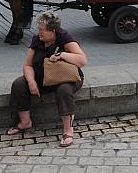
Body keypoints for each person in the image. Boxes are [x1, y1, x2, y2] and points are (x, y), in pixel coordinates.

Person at [8, 11, 87, 147]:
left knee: (64, 90)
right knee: (19, 84)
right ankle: (25, 122)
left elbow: (82, 60)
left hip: (67, 78)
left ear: (53, 31)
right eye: (39, 29)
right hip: (43, 78)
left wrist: (62, 55)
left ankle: (68, 130)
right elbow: (27, 65)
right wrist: (32, 82)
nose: (39, 32)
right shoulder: (37, 40)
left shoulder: (64, 37)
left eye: (42, 30)